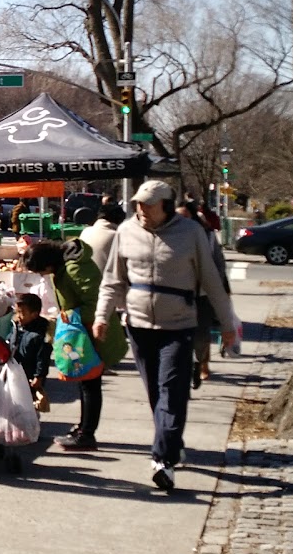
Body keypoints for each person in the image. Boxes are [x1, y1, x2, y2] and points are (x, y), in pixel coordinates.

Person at [94, 179, 237, 493]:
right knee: (156, 395)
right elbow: (112, 280)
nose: (141, 210)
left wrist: (228, 324)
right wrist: (102, 316)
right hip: (138, 324)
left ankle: (163, 460)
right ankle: (172, 442)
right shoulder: (126, 232)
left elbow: (213, 282)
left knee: (171, 390)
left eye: (148, 204)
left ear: (166, 205)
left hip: (179, 324)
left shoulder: (191, 234)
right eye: (138, 205)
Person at [24, 237, 127, 451]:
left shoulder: (73, 270)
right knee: (85, 381)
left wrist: (72, 319)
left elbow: (95, 302)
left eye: (40, 271)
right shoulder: (63, 268)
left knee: (90, 383)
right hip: (82, 331)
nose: (41, 275)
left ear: (48, 263)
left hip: (91, 332)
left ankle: (87, 434)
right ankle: (83, 428)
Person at [182, 199, 232, 386]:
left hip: (203, 293)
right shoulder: (169, 236)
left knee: (202, 333)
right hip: (178, 294)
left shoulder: (207, 235)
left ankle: (202, 363)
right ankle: (187, 367)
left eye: (185, 216)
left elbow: (219, 263)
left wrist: (221, 287)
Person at [8, 292, 52, 402]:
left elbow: (43, 357)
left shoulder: (40, 334)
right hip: (15, 370)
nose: (18, 316)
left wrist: (39, 375)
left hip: (30, 374)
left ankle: (30, 419)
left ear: (35, 314)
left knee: (29, 402)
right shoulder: (17, 326)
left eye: (22, 313)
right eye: (16, 312)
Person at [78, 201, 127, 274]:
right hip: (105, 283)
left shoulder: (86, 231)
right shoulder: (117, 236)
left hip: (82, 279)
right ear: (120, 220)